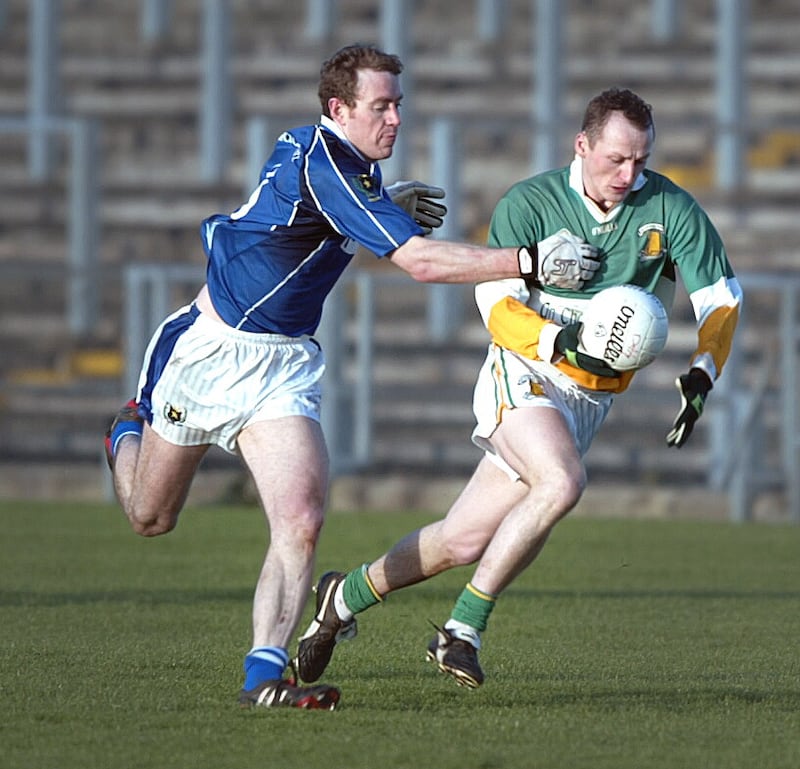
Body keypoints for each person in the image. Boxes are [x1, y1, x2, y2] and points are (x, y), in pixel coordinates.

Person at [103, 43, 602, 711]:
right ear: (339, 109)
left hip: (281, 365)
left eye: (399, 104)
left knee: (302, 516)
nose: (395, 118)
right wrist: (531, 261)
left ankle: (265, 676)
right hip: (206, 351)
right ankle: (123, 428)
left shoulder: (349, 168)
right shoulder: (326, 159)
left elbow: (306, 221)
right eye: (381, 106)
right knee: (150, 515)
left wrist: (387, 199)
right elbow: (420, 263)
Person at [294, 87, 743, 690]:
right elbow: (497, 306)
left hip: (587, 401)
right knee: (561, 483)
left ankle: (341, 600)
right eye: (615, 158)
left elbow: (720, 300)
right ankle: (462, 630)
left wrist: (704, 372)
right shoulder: (530, 203)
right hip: (524, 369)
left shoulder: (671, 209)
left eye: (640, 160)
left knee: (461, 540)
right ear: (581, 145)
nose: (628, 173)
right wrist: (561, 345)